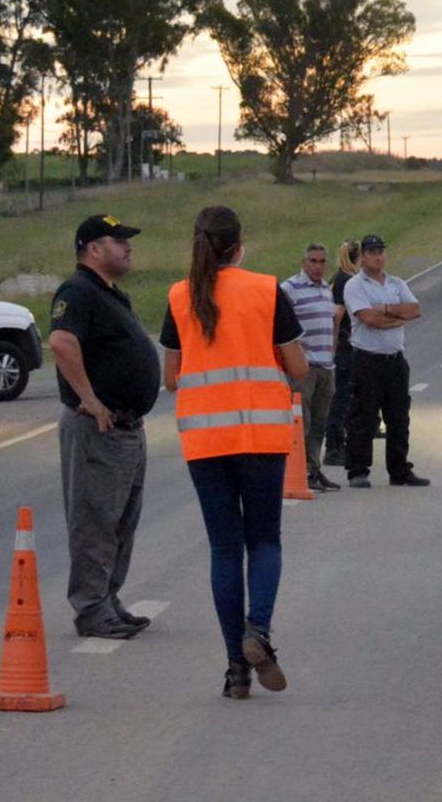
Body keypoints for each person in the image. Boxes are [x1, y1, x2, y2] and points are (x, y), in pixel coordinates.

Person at [160, 206, 309, 700]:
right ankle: (258, 633)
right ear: (239, 245)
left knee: (224, 550)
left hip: (204, 441)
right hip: (262, 438)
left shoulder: (180, 296)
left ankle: (235, 671)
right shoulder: (267, 290)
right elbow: (298, 367)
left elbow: (170, 376)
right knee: (264, 541)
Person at [48, 214, 162, 638]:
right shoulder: (77, 291)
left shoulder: (110, 294)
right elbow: (61, 342)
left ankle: (108, 599)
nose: (128, 247)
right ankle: (92, 609)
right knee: (95, 520)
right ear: (94, 249)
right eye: (119, 241)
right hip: (98, 427)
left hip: (126, 427)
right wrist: (90, 399)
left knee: (120, 522)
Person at [342, 234, 429, 488]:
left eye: (381, 251)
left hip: (395, 361)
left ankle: (399, 470)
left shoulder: (396, 282)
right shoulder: (355, 286)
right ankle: (358, 470)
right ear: (362, 257)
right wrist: (397, 316)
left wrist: (387, 309)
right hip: (367, 360)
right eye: (372, 252)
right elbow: (369, 319)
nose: (378, 256)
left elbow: (415, 310)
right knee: (364, 417)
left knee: (399, 417)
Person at [281, 242, 342, 493]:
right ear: (303, 263)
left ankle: (313, 468)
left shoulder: (326, 289)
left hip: (326, 365)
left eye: (321, 261)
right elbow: (282, 326)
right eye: (312, 261)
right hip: (304, 367)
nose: (318, 266)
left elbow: (332, 322)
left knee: (320, 421)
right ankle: (299, 470)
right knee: (301, 421)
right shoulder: (290, 288)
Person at [322, 238, 360, 468]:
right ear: (358, 258)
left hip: (343, 346)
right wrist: (334, 343)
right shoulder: (347, 281)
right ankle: (335, 447)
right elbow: (337, 315)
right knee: (342, 399)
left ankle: (339, 443)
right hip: (345, 347)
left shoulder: (337, 278)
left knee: (343, 397)